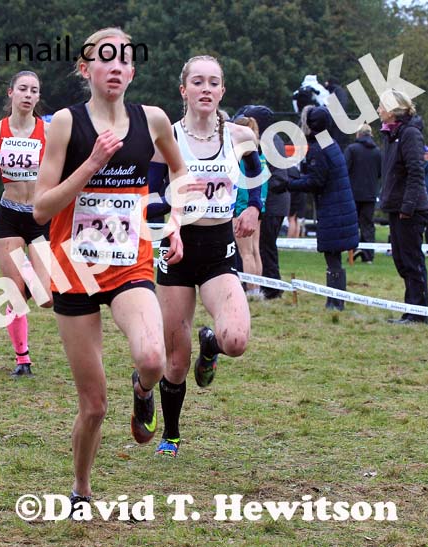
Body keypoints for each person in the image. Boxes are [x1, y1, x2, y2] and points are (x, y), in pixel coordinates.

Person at [33, 27, 187, 507]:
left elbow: (180, 172)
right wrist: (91, 164)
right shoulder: (65, 123)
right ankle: (81, 488)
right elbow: (40, 208)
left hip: (129, 264)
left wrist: (175, 222)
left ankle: (142, 391)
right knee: (95, 406)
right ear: (86, 69)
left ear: (133, 71)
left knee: (153, 359)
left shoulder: (152, 120)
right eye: (105, 58)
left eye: (124, 59)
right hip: (74, 270)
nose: (115, 66)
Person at [149, 61, 264, 459]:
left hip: (219, 250)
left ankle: (211, 345)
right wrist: (172, 209)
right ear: (183, 89)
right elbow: (149, 196)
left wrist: (254, 208)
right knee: (176, 363)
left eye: (213, 82)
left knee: (237, 340)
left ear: (222, 91)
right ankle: (171, 435)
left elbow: (257, 172)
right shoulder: (167, 137)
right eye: (197, 82)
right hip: (178, 250)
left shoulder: (239, 135)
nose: (205, 88)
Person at [0, 70, 52, 377]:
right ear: (11, 93)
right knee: (15, 294)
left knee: (46, 297)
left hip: (40, 216)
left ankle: (24, 271)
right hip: (9, 217)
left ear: (38, 97)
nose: (28, 95)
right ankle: (22, 359)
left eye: (34, 90)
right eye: (23, 89)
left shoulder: (48, 130)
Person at [284, 106, 358, 310]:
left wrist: (289, 184)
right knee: (334, 258)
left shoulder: (319, 148)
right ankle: (335, 300)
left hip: (333, 210)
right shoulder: (329, 143)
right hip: (339, 207)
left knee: (332, 257)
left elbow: (316, 181)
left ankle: (335, 302)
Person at [378, 89, 428, 323]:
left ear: (392, 110)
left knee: (412, 262)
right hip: (396, 207)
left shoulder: (410, 134)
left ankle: (418, 315)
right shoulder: (391, 135)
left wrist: (407, 207)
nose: (378, 110)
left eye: (381, 106)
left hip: (410, 210)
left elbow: (416, 173)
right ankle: (411, 311)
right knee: (401, 261)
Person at [242, 106, 291, 300]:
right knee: (263, 247)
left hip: (272, 203)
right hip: (274, 202)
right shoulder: (273, 139)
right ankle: (267, 286)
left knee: (264, 247)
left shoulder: (268, 142)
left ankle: (271, 288)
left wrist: (260, 195)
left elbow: (278, 177)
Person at [231, 115, 267, 299]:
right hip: (258, 206)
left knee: (246, 253)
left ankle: (251, 291)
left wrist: (240, 209)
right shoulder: (260, 154)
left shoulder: (242, 154)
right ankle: (257, 289)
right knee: (255, 250)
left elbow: (243, 184)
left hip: (243, 207)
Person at [345, 124, 382, 263]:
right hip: (370, 193)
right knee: (368, 224)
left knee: (352, 223)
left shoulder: (352, 149)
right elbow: (380, 172)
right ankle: (368, 255)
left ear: (358, 134)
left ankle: (353, 251)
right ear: (370, 134)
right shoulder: (377, 151)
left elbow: (345, 169)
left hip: (353, 193)